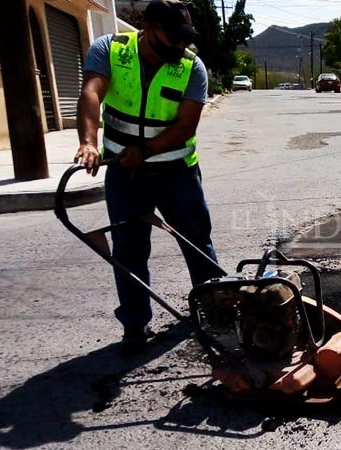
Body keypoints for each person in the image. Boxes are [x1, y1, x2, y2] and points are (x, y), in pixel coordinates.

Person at [74, 0, 221, 355]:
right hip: (125, 175)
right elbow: (92, 92)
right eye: (173, 38)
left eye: (184, 39)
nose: (180, 47)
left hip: (176, 173)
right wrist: (88, 142)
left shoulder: (191, 67)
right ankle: (135, 326)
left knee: (197, 242)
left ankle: (215, 314)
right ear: (149, 29)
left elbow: (186, 125)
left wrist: (147, 149)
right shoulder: (110, 50)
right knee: (129, 249)